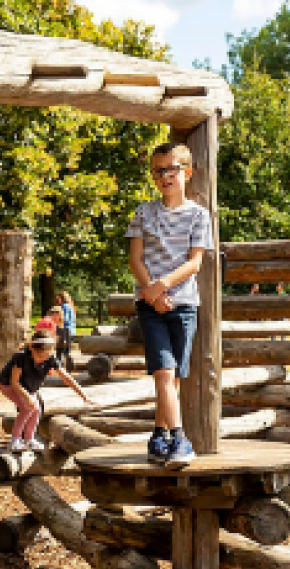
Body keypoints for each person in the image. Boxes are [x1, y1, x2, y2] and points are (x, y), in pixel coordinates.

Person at [126, 142, 213, 469]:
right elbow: (135, 259)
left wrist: (164, 286)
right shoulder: (143, 213)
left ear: (187, 173)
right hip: (150, 306)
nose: (164, 176)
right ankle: (179, 438)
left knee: (173, 377)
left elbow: (195, 262)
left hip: (184, 303)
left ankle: (158, 435)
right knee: (163, 372)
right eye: (158, 171)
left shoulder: (199, 215)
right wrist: (152, 292)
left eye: (171, 169)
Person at [0, 331, 94, 450]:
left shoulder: (51, 360)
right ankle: (15, 440)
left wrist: (84, 396)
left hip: (29, 388)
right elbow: (14, 383)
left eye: (44, 357)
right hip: (9, 386)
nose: (41, 360)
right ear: (31, 348)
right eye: (38, 356)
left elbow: (67, 378)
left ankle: (29, 439)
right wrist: (28, 398)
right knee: (27, 409)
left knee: (37, 409)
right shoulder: (21, 357)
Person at [46, 306, 73, 370]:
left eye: (57, 313)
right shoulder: (48, 323)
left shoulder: (62, 327)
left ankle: (64, 360)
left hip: (61, 344)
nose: (54, 315)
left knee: (65, 332)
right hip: (51, 343)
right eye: (53, 313)